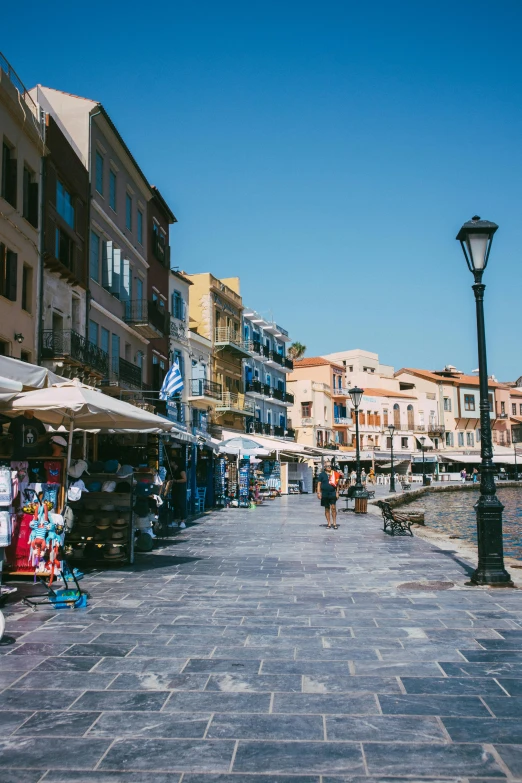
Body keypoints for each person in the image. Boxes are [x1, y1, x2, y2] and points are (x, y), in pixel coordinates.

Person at [316, 461, 340, 529]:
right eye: (327, 466)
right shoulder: (322, 475)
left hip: (332, 492)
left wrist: (337, 492)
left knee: (333, 508)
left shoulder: (334, 474)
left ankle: (334, 523)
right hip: (325, 493)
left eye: (330, 466)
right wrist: (318, 493)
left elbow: (337, 484)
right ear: (325, 467)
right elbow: (319, 484)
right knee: (327, 508)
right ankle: (329, 523)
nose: (329, 467)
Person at [169, 459, 187, 528]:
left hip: (181, 489)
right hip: (175, 489)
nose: (170, 463)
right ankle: (175, 520)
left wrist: (176, 481)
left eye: (171, 461)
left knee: (181, 504)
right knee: (175, 504)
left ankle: (183, 521)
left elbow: (184, 479)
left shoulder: (181, 470)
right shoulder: (173, 471)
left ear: (174, 462)